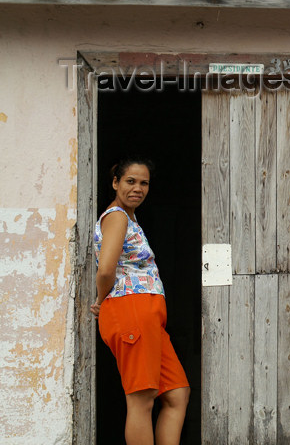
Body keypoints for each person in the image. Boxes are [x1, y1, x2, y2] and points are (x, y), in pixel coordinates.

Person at [91, 157, 190, 445]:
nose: (138, 188)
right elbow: (106, 268)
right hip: (130, 308)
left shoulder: (130, 218)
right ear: (115, 183)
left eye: (143, 183)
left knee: (176, 393)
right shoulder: (117, 216)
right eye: (130, 181)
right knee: (142, 400)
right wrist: (101, 298)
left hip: (147, 315)